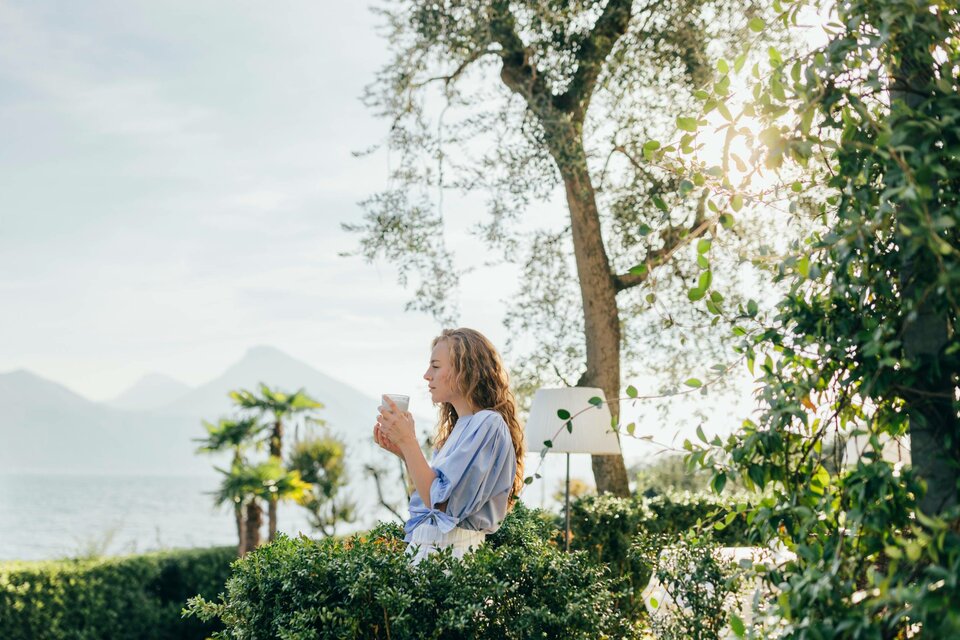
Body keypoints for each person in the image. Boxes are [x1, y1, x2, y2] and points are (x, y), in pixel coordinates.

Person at [374, 328, 525, 564]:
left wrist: (408, 441)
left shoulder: (488, 423)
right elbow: (427, 501)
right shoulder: (459, 429)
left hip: (453, 557)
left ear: (466, 369)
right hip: (429, 552)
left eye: (435, 366)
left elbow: (443, 507)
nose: (427, 375)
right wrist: (404, 452)